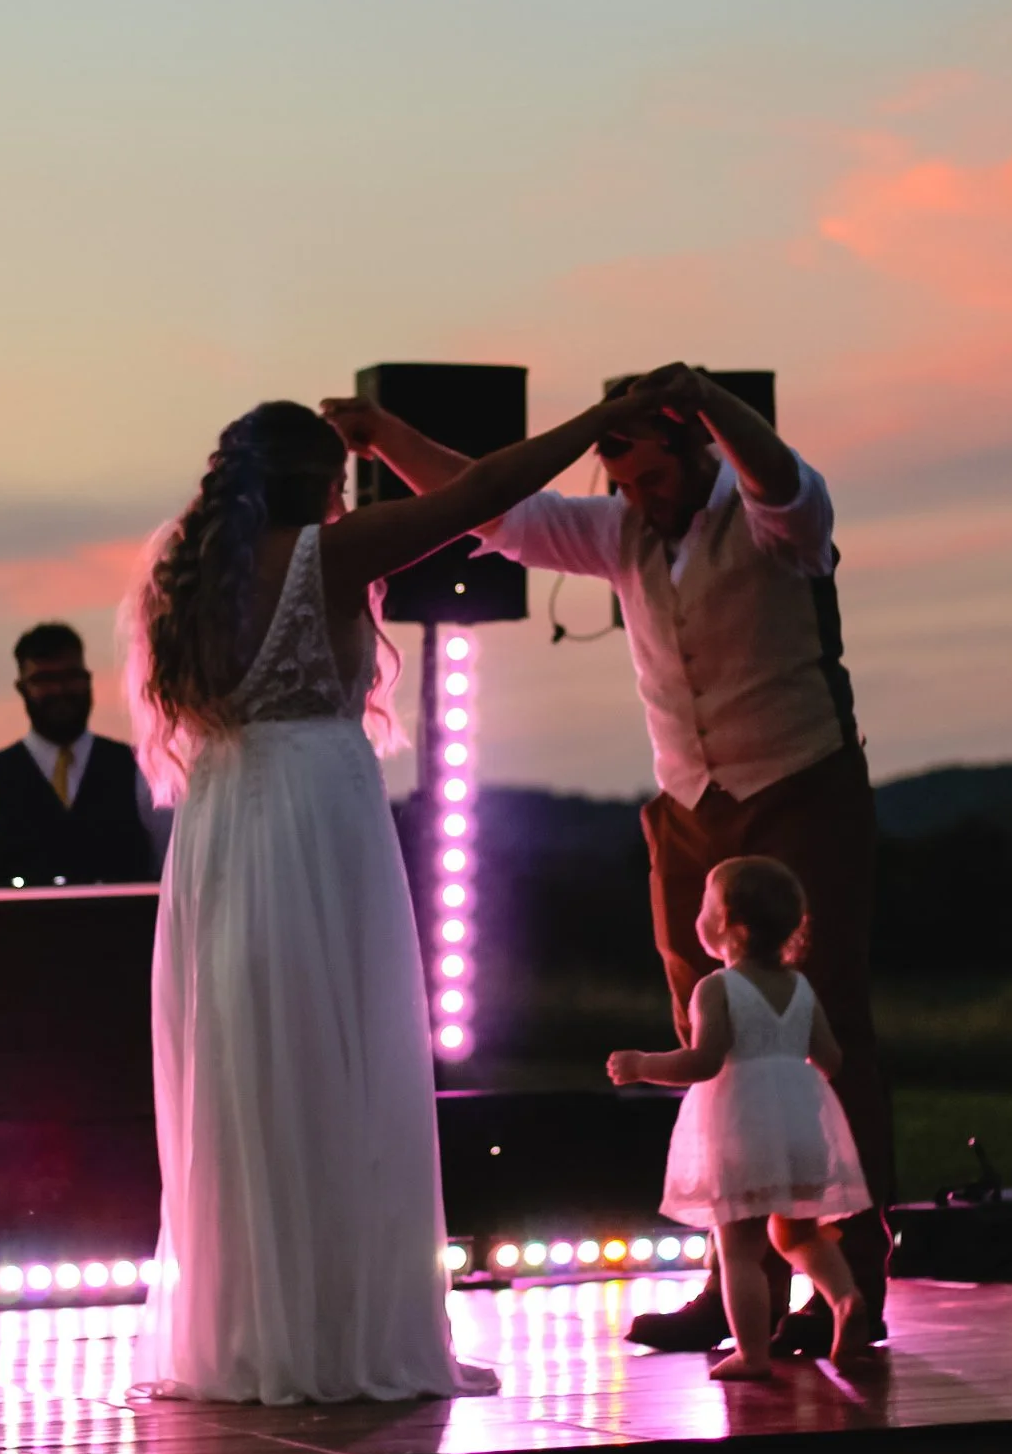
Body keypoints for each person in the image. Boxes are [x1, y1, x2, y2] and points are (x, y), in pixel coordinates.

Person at [324, 363, 893, 1357]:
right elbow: (491, 507)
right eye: (621, 479)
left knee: (819, 1021)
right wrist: (384, 435)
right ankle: (734, 1278)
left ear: (692, 447)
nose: (638, 495)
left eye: (651, 473)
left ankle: (855, 1271)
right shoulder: (616, 531)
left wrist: (711, 398)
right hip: (686, 807)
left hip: (797, 783)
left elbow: (777, 478)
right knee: (706, 1041)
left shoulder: (773, 515)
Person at [128, 385, 659, 1404]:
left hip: (226, 826)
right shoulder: (329, 553)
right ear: (323, 482)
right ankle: (339, 1333)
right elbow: (486, 492)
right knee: (342, 1069)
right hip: (319, 817)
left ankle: (256, 1331)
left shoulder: (189, 578)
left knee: (249, 1078)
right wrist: (594, 424)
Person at [607, 857, 872, 1379]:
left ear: (728, 922)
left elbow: (703, 1061)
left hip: (745, 1125)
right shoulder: (800, 988)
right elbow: (832, 1059)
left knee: (739, 1249)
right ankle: (844, 1298)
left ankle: (752, 1355)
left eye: (706, 904)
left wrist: (643, 1065)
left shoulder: (717, 988)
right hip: (800, 1123)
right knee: (799, 1235)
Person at [0, 622, 170, 886]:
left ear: (88, 680)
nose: (60, 691)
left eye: (71, 677)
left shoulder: (142, 770)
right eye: (45, 680)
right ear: (22, 688)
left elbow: (173, 866)